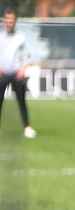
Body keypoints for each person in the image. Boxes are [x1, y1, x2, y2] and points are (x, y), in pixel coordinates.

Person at [0, 8, 37, 138]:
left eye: (12, 20)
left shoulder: (20, 37)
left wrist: (23, 67)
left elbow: (32, 53)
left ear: (15, 21)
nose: (10, 22)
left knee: (21, 101)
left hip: (16, 74)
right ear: (4, 20)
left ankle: (27, 127)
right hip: (2, 74)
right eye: (7, 20)